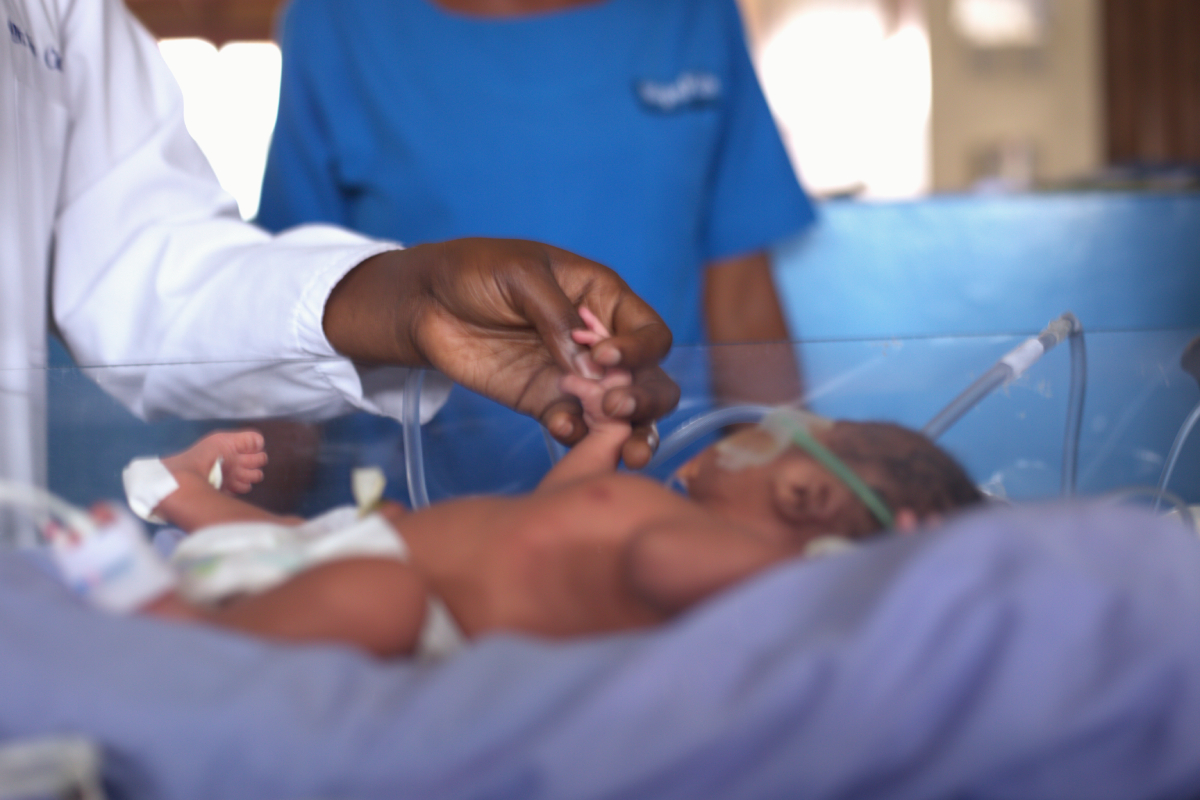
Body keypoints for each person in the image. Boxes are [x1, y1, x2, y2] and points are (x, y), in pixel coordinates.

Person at [1, 0, 680, 546]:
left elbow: (147, 267)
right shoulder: (342, 25)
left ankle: (195, 502)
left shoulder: (57, 12)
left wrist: (414, 302)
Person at [111, 310, 982, 659]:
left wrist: (859, 585)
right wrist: (602, 433)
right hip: (352, 542)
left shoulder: (720, 557)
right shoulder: (651, 508)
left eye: (786, 438)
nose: (764, 426)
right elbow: (562, 510)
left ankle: (186, 637)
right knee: (309, 550)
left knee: (371, 597)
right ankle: (180, 496)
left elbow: (674, 573)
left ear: (804, 501)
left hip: (412, 601)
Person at [256, 0, 815, 498]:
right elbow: (288, 310)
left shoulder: (693, 15)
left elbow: (742, 301)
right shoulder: (336, 21)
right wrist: (235, 525)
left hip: (668, 501)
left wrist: (801, 477)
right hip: (411, 524)